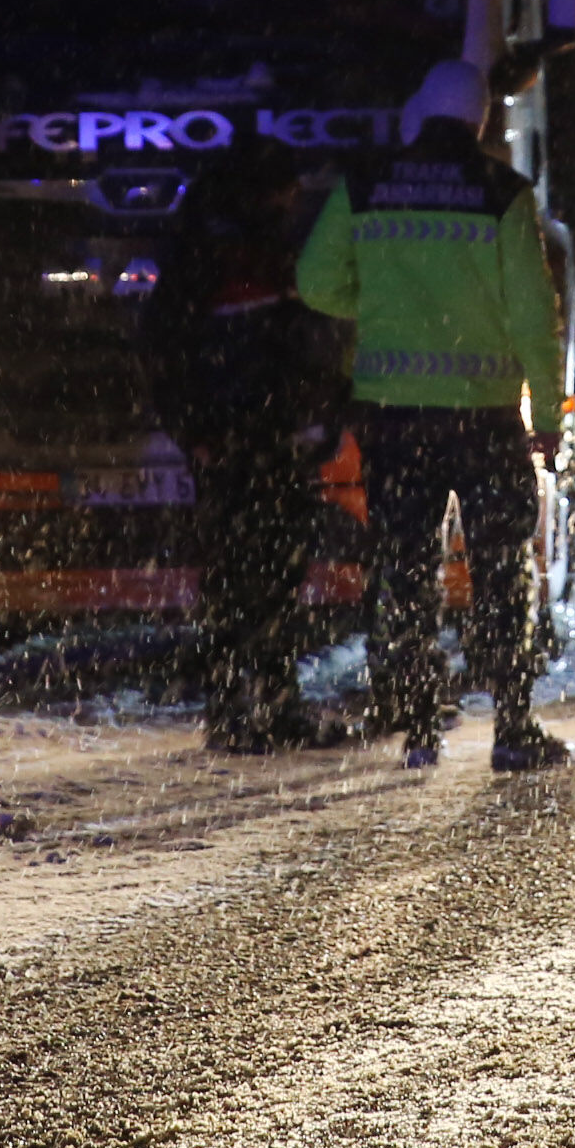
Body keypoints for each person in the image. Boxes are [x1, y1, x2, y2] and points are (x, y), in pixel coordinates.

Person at [296, 60, 571, 772]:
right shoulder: (504, 193)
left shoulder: (366, 183)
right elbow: (535, 318)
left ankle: (418, 725)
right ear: (481, 120)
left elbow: (315, 282)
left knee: (405, 568)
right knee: (501, 570)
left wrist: (378, 309)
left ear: (421, 113)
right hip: (485, 421)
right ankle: (513, 726)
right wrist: (547, 416)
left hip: (394, 419)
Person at [143, 135, 354, 754]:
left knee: (258, 572)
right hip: (248, 437)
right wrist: (201, 429)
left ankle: (254, 703)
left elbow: (170, 347)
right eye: (288, 188)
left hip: (254, 436)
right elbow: (173, 348)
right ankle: (247, 705)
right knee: (255, 573)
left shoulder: (222, 247)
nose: (295, 199)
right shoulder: (230, 253)